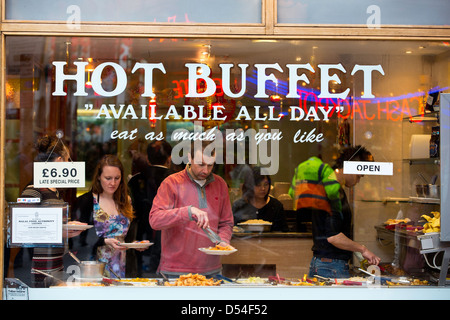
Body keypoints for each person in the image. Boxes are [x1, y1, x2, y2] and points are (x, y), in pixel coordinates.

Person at [289, 146, 381, 278]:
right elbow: (334, 237)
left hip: (321, 263)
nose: (359, 181)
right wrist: (363, 250)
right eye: (359, 176)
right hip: (331, 266)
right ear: (351, 167)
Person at [149, 140, 234, 277]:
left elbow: (226, 222)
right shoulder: (171, 183)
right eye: (201, 164)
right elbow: (155, 220)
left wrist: (223, 241)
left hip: (212, 269)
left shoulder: (220, 184)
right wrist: (187, 212)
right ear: (190, 158)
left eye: (210, 165)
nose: (205, 170)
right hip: (175, 270)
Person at [18, 134, 85, 287]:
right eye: (68, 160)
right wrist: (60, 231)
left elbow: (46, 223)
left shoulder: (55, 190)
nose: (69, 165)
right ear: (60, 161)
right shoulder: (33, 189)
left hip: (56, 263)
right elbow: (21, 230)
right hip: (41, 269)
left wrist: (67, 226)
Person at [73, 154, 142, 278]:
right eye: (108, 178)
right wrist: (104, 240)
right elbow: (79, 237)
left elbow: (129, 237)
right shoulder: (88, 201)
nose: (113, 183)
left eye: (117, 178)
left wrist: (137, 244)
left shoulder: (126, 200)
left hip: (124, 266)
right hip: (95, 267)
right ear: (99, 177)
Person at [128, 140, 172, 276]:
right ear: (169, 158)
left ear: (147, 158)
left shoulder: (135, 180)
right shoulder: (175, 179)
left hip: (139, 230)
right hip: (167, 232)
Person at [232, 166, 289, 232]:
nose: (263, 188)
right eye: (258, 185)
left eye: (266, 184)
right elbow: (232, 230)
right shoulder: (239, 206)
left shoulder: (276, 206)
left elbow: (284, 234)